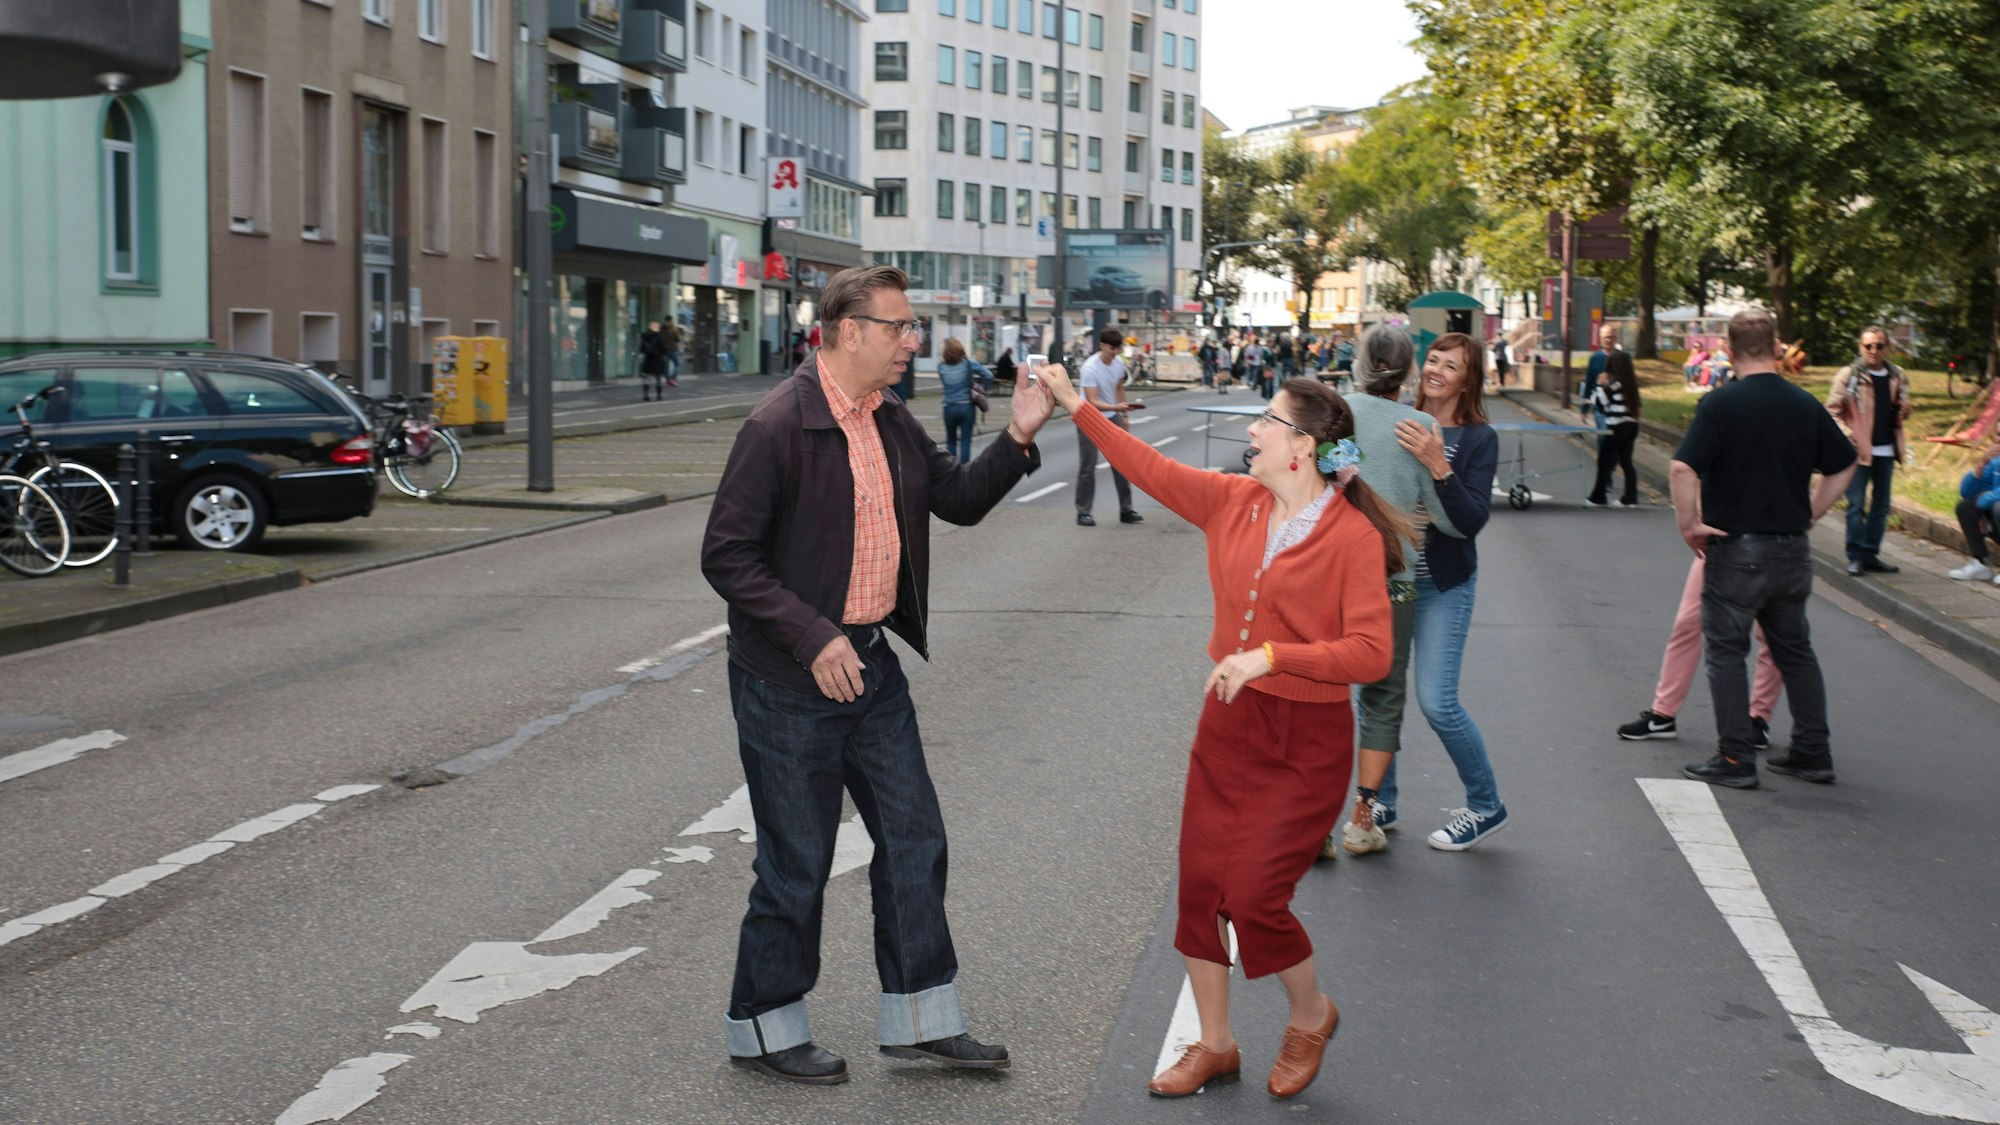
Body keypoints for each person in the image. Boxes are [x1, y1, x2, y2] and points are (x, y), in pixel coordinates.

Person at [699, 265, 1054, 1084]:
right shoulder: (778, 425)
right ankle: (763, 1023)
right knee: (797, 860)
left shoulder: (888, 416)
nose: (912, 342)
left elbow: (957, 499)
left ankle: (923, 1018)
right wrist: (810, 635)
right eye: (897, 327)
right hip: (788, 679)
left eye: (912, 327)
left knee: (914, 837)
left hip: (872, 666)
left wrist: (1021, 435)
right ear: (848, 330)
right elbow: (728, 554)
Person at [1035, 360, 1400, 1100]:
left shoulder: (1352, 536)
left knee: (1257, 895)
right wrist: (1078, 405)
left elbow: (1372, 652)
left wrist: (1271, 655)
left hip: (1306, 740)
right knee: (1202, 887)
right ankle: (1216, 1043)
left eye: (1267, 420)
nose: (1251, 430)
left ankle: (1311, 1012)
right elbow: (1147, 465)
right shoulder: (1233, 500)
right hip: (1229, 728)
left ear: (1302, 445)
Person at [1671, 307, 1857, 788]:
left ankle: (1735, 758)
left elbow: (1681, 469)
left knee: (1726, 652)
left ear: (1729, 352)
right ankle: (1813, 752)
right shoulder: (1805, 404)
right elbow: (1844, 462)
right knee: (1796, 651)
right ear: (1777, 350)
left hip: (1737, 551)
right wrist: (1814, 510)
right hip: (1792, 550)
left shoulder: (1720, 404)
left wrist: (1690, 524)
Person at [1326, 324, 1465, 858]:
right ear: (1409, 371)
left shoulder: (1335, 416)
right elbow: (1452, 524)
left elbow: (1319, 485)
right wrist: (1438, 471)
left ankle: (1315, 823)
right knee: (1383, 698)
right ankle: (1364, 818)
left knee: (1326, 694)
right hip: (1395, 584)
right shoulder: (1420, 425)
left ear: (1358, 362)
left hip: (1331, 579)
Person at [1367, 332, 1509, 850]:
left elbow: (1470, 523)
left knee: (1437, 702)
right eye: (1433, 359)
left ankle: (1485, 805)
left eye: (1452, 365)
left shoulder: (1477, 439)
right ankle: (1380, 798)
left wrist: (1438, 463)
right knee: (1375, 693)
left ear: (1468, 379)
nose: (1437, 371)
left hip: (1443, 586)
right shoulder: (1393, 418)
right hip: (1391, 583)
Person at [1616, 556, 1785, 751]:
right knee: (1687, 623)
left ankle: (1758, 718)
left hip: (1772, 546)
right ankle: (1663, 714)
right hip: (1719, 544)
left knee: (1770, 633)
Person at [1826, 325, 1912, 577]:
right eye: (1868, 346)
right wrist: (1848, 435)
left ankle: (1871, 554)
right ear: (1860, 347)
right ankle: (1855, 556)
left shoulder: (1897, 375)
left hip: (1886, 449)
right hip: (1858, 450)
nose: (1873, 350)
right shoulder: (1849, 375)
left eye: (1879, 345)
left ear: (1888, 348)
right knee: (1855, 505)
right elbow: (1831, 411)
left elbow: (1901, 408)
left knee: (1882, 506)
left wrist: (1905, 410)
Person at [1075, 326, 1144, 527]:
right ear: (1102, 345)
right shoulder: (1089, 368)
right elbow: (1092, 400)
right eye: (1111, 348)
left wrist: (1124, 416)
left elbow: (1119, 387)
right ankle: (1083, 512)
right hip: (1088, 417)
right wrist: (1116, 406)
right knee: (1088, 465)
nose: (1115, 352)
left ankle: (1126, 510)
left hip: (1112, 415)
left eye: (1118, 349)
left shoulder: (1118, 364)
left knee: (1122, 463)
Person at [1586, 351, 1642, 507]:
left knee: (1604, 461)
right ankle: (1630, 498)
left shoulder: (1615, 383)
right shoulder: (1632, 385)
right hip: (1631, 426)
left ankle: (1598, 496)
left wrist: (1599, 384)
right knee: (1626, 462)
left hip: (1616, 427)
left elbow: (1599, 402)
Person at [1947, 420, 2000, 584]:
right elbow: (1966, 492)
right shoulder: (1996, 461)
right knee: (1965, 507)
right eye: (1998, 435)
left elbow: (1987, 500)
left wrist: (1984, 500)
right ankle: (1981, 564)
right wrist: (1982, 464)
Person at [935, 337, 994, 463]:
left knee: (951, 440)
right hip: (966, 406)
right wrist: (984, 388)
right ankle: (964, 471)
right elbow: (988, 375)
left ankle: (951, 470)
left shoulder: (940, 367)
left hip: (949, 407)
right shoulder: (968, 363)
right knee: (965, 440)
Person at [639, 321, 667, 401]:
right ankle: (659, 395)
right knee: (658, 378)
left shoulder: (645, 337)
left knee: (647, 378)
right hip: (658, 359)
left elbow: (641, 349)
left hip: (648, 360)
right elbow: (663, 349)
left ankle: (646, 395)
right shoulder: (659, 337)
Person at [662, 320, 684, 386]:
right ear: (671, 321)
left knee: (665, 366)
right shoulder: (674, 330)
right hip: (673, 350)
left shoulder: (662, 330)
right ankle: (673, 379)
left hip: (664, 350)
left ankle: (668, 380)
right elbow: (677, 339)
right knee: (677, 364)